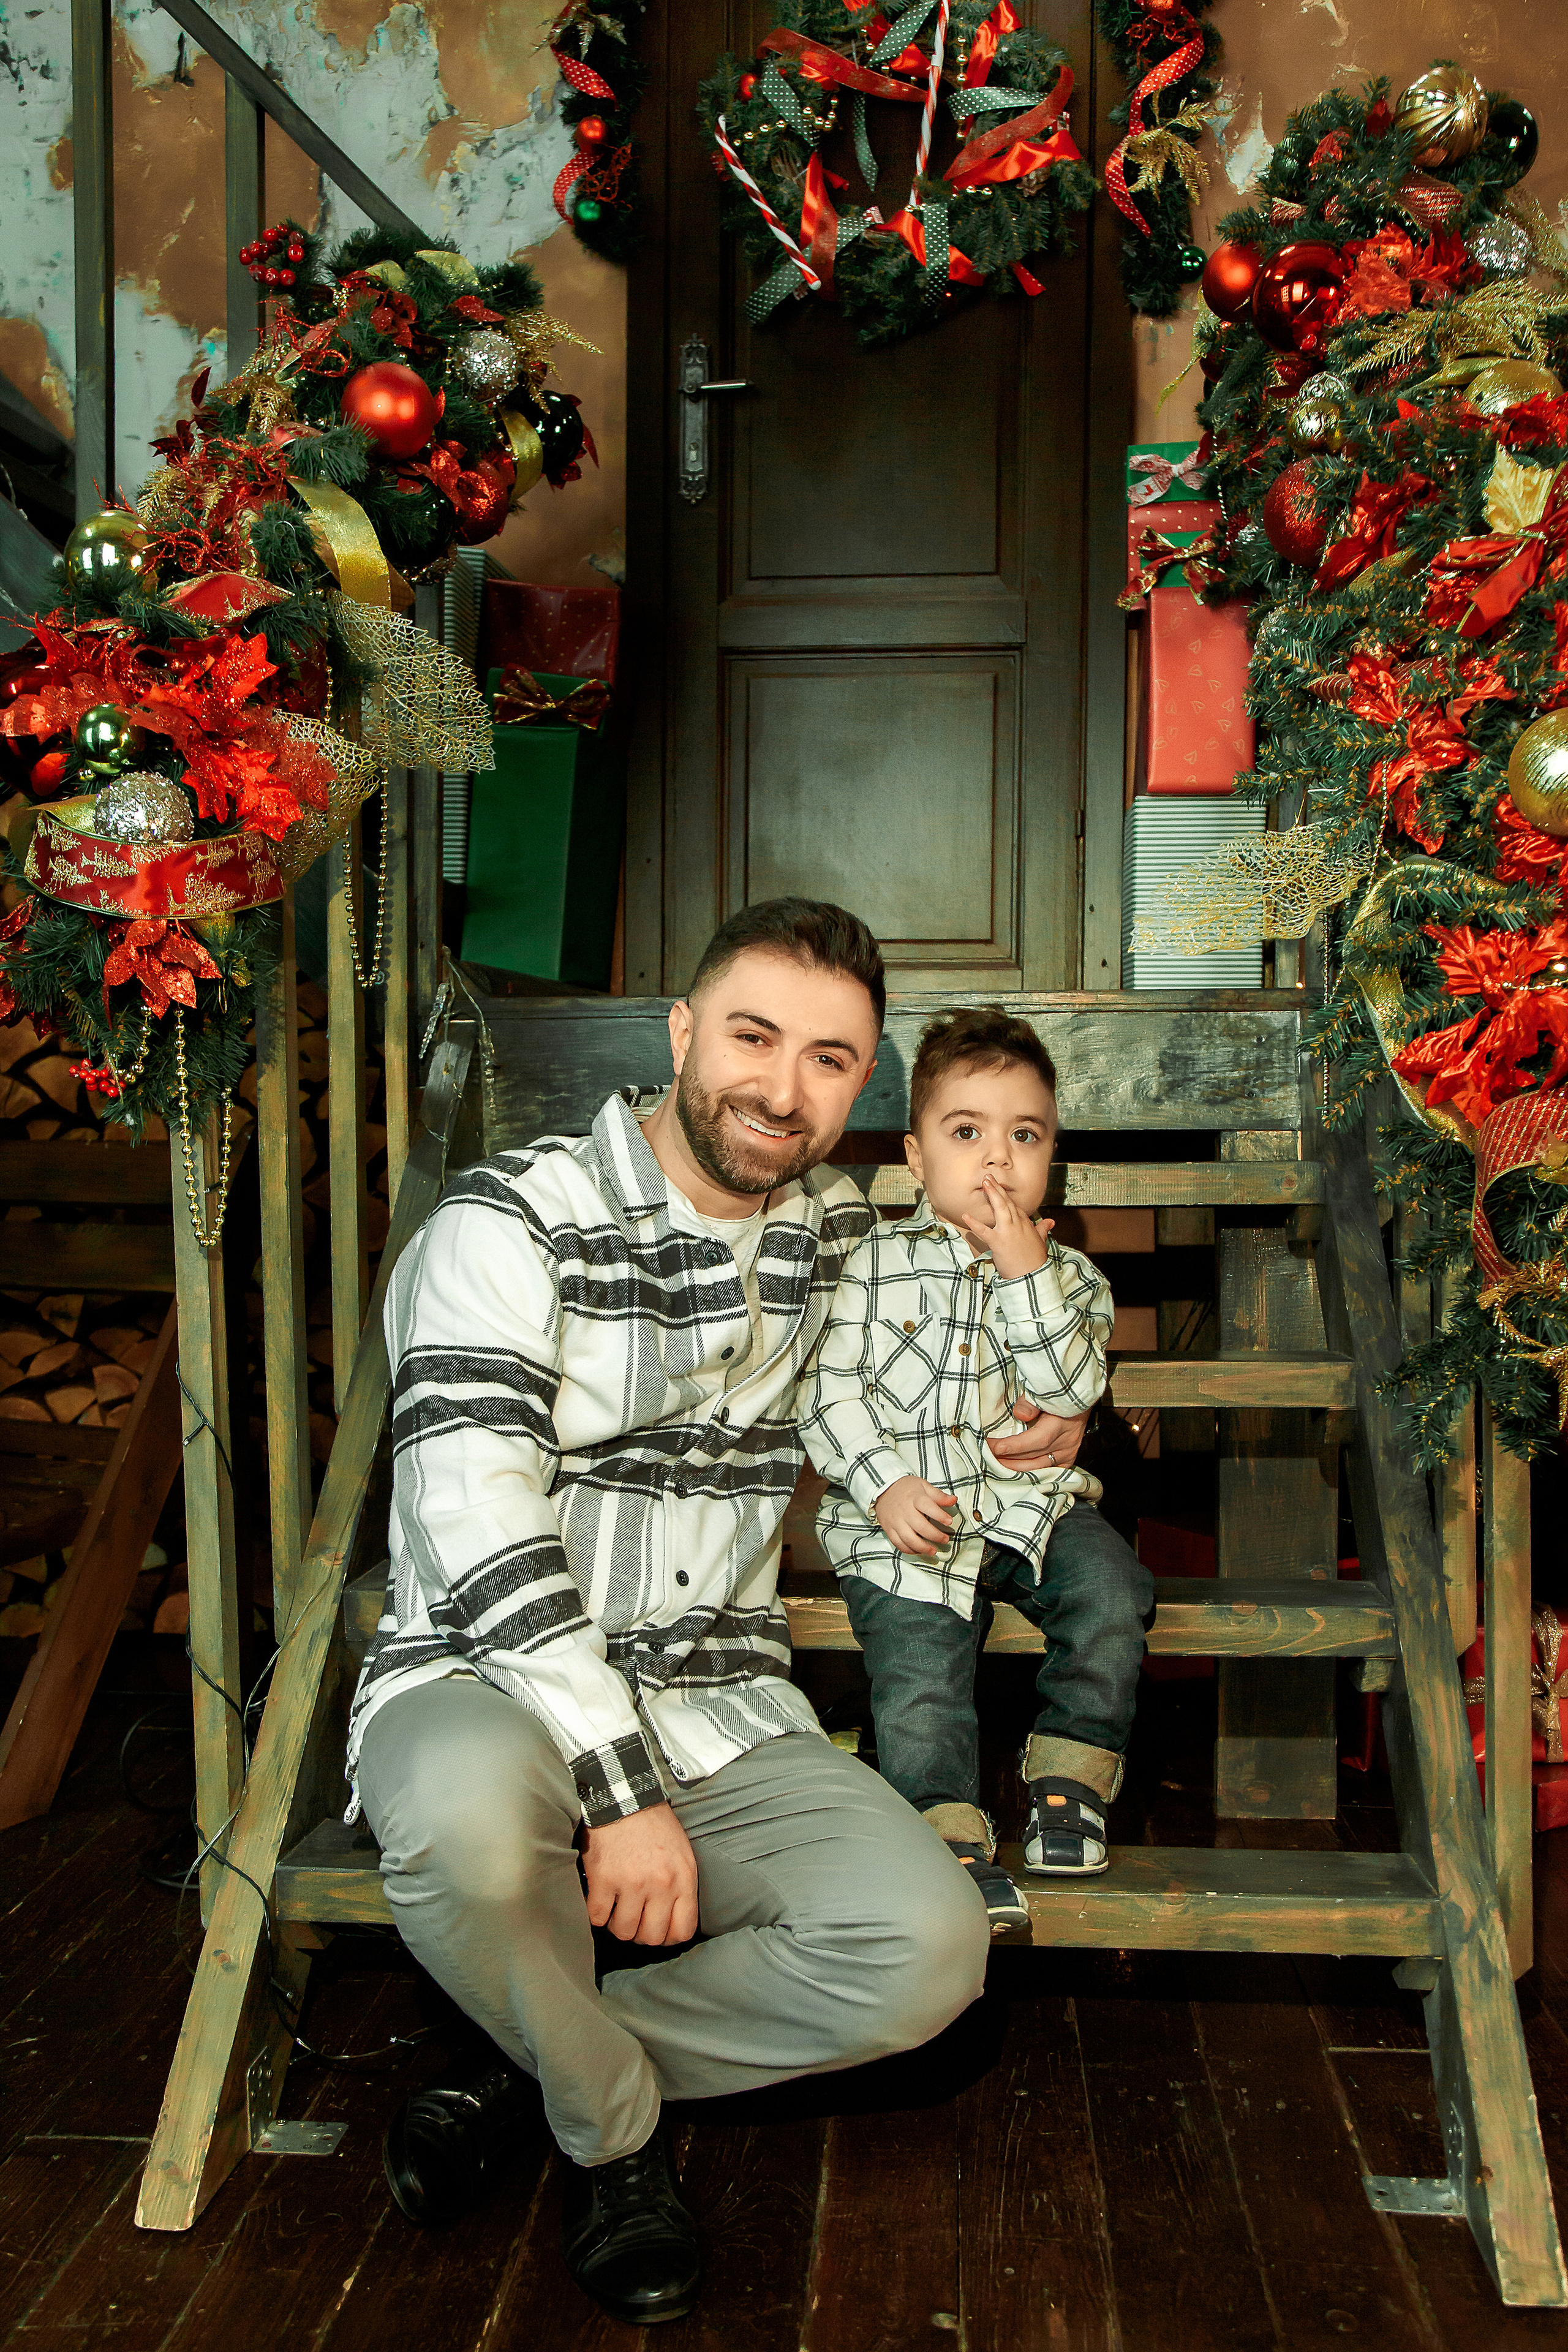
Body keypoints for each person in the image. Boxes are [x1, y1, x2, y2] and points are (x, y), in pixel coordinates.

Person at [347, 902, 1084, 2328]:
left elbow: (963, 1319)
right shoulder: (505, 1224)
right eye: (751, 1037)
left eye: (829, 1060)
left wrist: (1045, 1412)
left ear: (861, 1086)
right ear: (680, 1034)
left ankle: (543, 2060)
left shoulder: (835, 1241)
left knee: (929, 1949)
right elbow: (472, 1522)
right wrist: (618, 1790)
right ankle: (614, 2138)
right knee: (459, 1817)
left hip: (723, 1700)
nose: (780, 1087)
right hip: (491, 1677)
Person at [799, 1006, 1154, 1934]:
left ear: (1051, 1160)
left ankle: (1070, 1778)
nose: (996, 1160)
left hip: (1032, 1507)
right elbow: (826, 1394)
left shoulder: (1071, 1278)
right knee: (918, 1670)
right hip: (912, 1523)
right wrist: (881, 1482)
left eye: (1024, 1136)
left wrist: (1023, 1267)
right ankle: (944, 1831)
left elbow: (1071, 1382)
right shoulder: (871, 1265)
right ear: (918, 1158)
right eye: (967, 1133)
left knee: (1114, 1588)